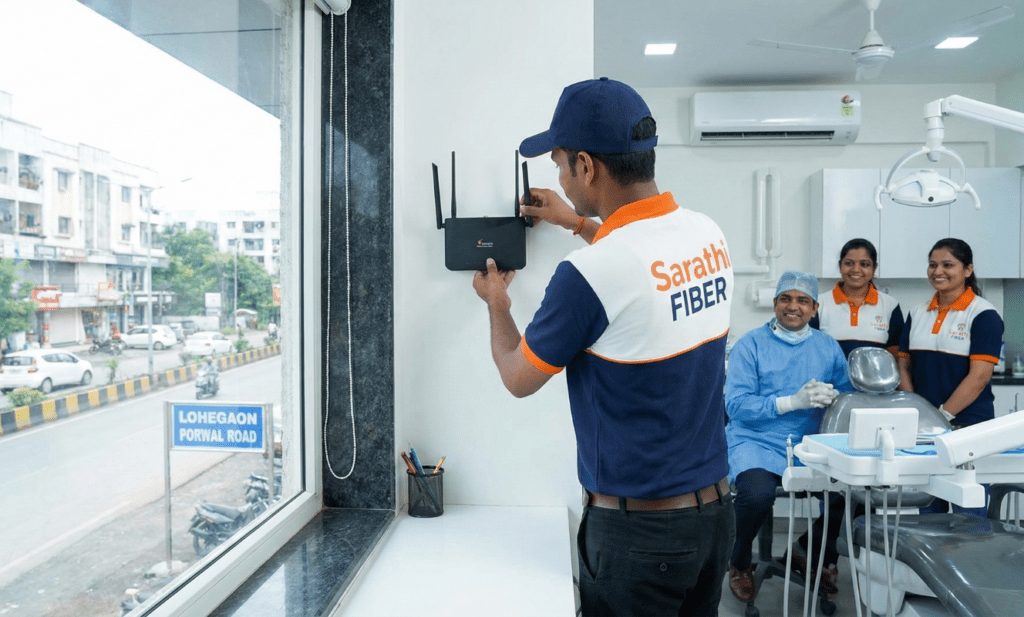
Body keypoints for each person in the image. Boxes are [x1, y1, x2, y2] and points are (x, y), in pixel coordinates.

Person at [473, 77, 735, 616]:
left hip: (640, 538)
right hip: (714, 518)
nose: (560, 175)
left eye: (561, 162)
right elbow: (640, 271)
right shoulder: (708, 234)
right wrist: (575, 222)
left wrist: (497, 304)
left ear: (587, 166)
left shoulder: (588, 276)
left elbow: (517, 377)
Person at [725, 271, 853, 603]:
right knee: (756, 495)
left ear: (814, 308)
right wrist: (790, 402)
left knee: (852, 495)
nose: (792, 306)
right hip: (756, 440)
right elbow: (736, 405)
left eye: (802, 300)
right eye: (785, 298)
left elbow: (847, 397)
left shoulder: (827, 348)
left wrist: (834, 398)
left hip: (810, 444)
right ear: (775, 304)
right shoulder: (750, 345)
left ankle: (806, 552)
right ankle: (739, 561)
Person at [897, 238, 1003, 516]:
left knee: (969, 513)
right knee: (930, 512)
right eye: (932, 265)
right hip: (926, 432)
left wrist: (941, 415)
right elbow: (904, 366)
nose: (937, 271)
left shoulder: (984, 314)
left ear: (968, 270)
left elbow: (979, 377)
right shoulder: (918, 313)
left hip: (969, 428)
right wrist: (916, 411)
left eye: (948, 265)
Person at [810, 238, 904, 358]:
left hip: (874, 377)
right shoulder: (819, 303)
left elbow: (895, 355)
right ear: (840, 266)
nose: (855, 269)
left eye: (864, 264)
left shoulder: (890, 305)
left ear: (874, 268)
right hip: (828, 377)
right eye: (849, 263)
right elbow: (810, 350)